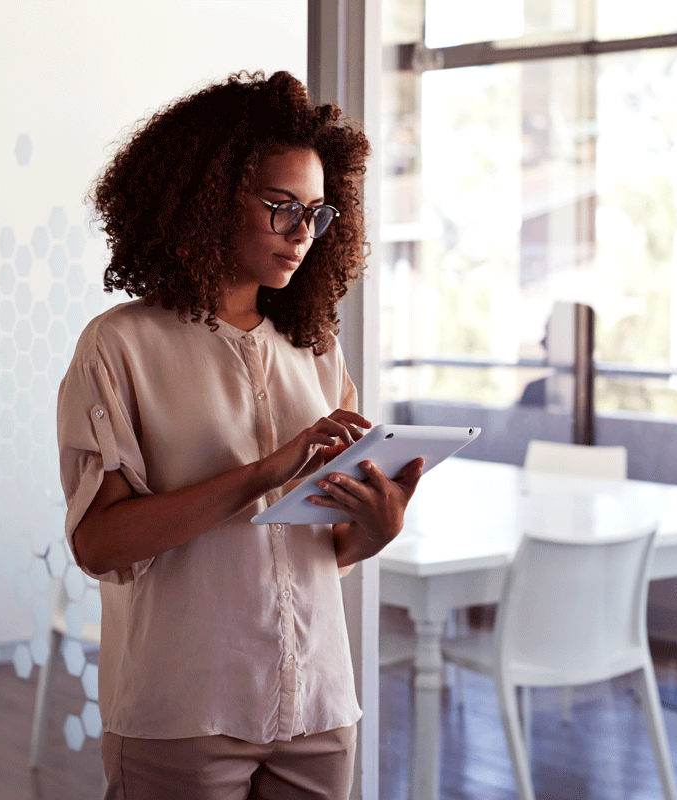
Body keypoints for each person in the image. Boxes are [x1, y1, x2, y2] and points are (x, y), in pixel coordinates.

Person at [56, 70, 423, 800]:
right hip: (184, 710)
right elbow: (99, 544)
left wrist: (374, 530)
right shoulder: (120, 346)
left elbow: (317, 543)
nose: (300, 233)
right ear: (205, 194)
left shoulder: (317, 348)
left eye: (316, 214)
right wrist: (265, 470)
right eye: (280, 205)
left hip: (318, 705)